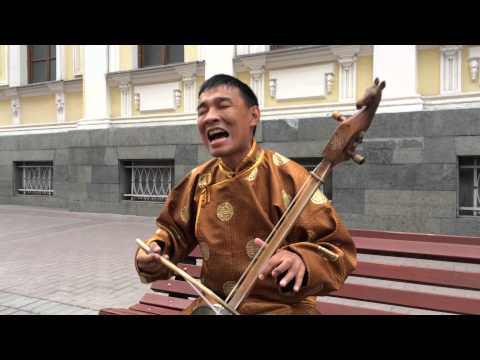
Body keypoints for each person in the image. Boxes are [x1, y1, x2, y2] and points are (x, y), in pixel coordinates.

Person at [135, 74, 357, 315]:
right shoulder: (198, 180)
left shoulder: (288, 176)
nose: (210, 117)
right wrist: (153, 250)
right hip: (215, 307)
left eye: (222, 105)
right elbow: (172, 232)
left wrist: (302, 259)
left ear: (253, 116)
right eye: (202, 111)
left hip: (281, 308)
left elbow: (338, 250)